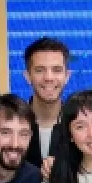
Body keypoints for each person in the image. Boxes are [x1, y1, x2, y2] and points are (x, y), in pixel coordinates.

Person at [21, 37, 72, 165]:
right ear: (27, 76)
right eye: (40, 70)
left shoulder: (79, 124)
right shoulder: (12, 123)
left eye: (56, 70)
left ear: (67, 76)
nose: (49, 77)